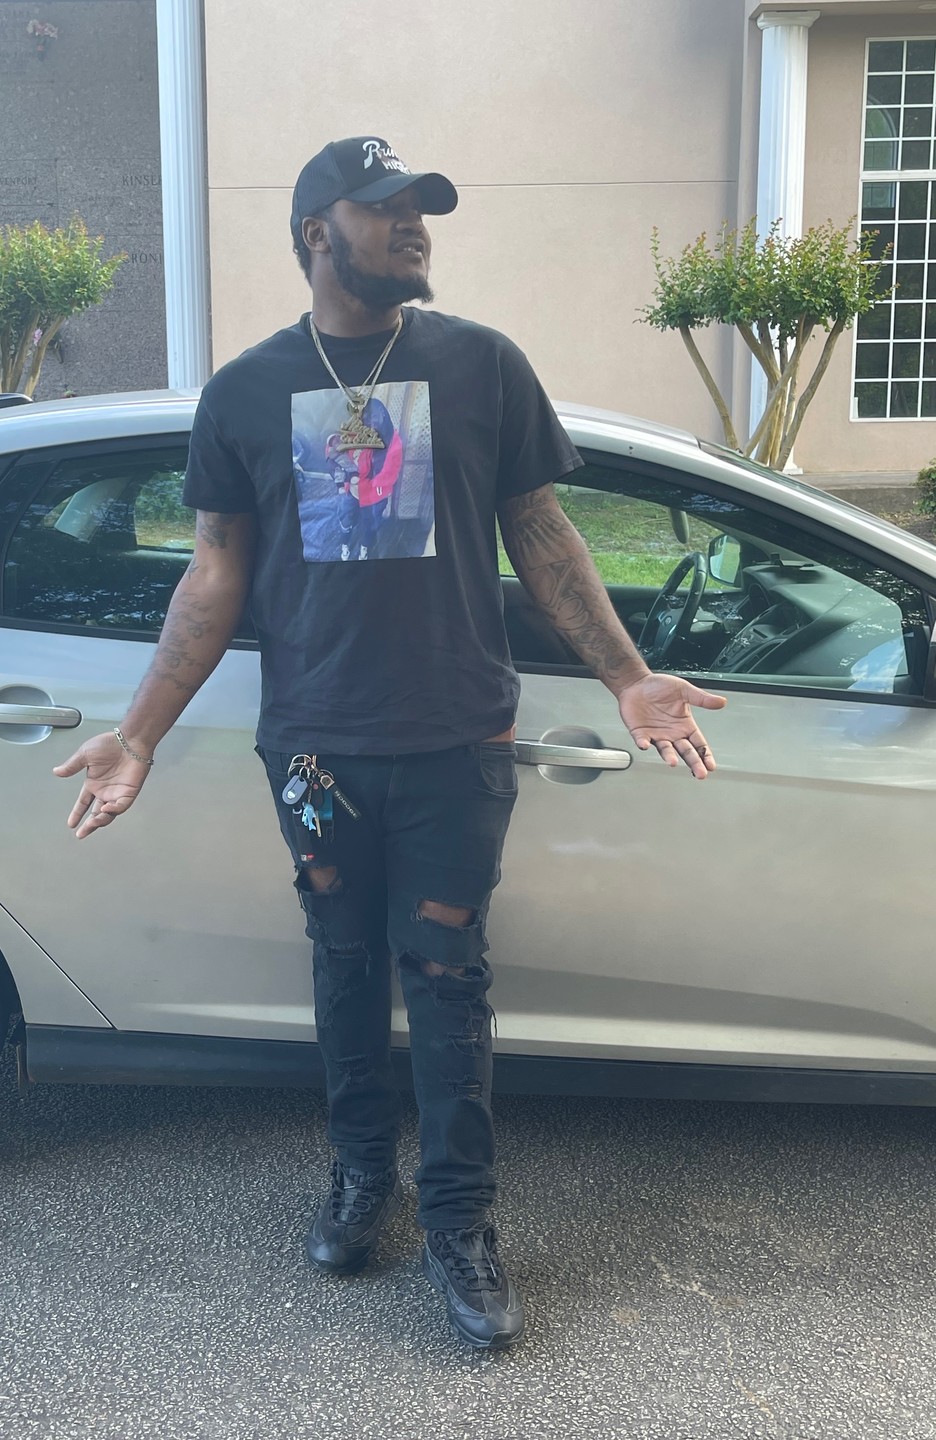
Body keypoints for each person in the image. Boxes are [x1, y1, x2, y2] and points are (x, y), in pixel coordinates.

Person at [54, 135, 726, 1351]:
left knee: (447, 975)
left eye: (424, 209)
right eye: (386, 209)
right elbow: (215, 573)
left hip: (456, 740)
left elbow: (544, 534)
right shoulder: (247, 392)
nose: (415, 226)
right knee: (344, 962)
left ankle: (461, 1220)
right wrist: (140, 733)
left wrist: (628, 677)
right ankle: (364, 1179)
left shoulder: (481, 365)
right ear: (319, 232)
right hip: (313, 749)